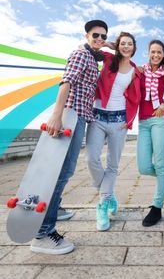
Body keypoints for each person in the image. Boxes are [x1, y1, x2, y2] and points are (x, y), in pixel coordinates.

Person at [30, 19, 109, 255]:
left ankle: (55, 208)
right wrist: (56, 116)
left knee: (63, 171)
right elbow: (66, 83)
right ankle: (42, 233)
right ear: (86, 35)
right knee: (61, 173)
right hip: (70, 118)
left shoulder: (93, 55)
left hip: (79, 118)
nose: (100, 40)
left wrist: (108, 44)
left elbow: (104, 50)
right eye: (95, 35)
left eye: (104, 36)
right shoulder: (81, 55)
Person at [86, 31, 141, 231]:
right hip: (98, 117)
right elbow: (91, 48)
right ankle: (108, 194)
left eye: (130, 44)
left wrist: (130, 119)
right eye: (123, 43)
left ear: (134, 48)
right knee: (91, 159)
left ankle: (102, 204)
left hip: (119, 121)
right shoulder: (108, 58)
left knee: (113, 165)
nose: (126, 47)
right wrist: (109, 44)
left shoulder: (136, 70)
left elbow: (137, 96)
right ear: (118, 46)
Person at [137, 40, 164, 227]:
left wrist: (163, 106)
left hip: (161, 119)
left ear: (163, 53)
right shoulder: (141, 71)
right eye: (153, 52)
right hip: (143, 121)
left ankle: (157, 207)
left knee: (159, 162)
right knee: (143, 166)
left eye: (159, 52)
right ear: (148, 52)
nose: (156, 55)